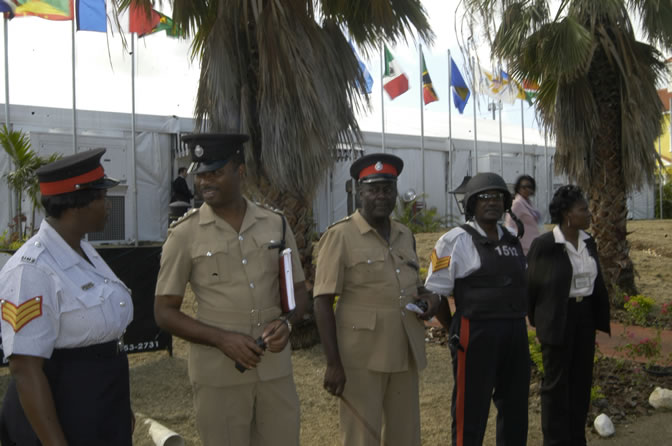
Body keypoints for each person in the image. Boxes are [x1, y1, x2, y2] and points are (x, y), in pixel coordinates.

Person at [154, 133, 309, 446]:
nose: (205, 182)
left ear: (240, 172)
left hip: (274, 370)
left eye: (215, 172)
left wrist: (288, 322)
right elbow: (163, 312)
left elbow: (299, 291)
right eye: (201, 174)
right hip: (219, 373)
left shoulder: (275, 224)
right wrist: (221, 339)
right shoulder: (184, 234)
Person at [0, 148, 134, 445]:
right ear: (78, 205)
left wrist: (118, 409)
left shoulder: (84, 250)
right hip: (61, 409)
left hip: (100, 403)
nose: (108, 206)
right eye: (101, 197)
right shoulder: (31, 269)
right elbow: (25, 368)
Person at [313, 153, 440, 446]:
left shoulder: (404, 234)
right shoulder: (340, 235)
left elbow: (413, 285)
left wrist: (429, 299)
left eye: (388, 189)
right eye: (373, 189)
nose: (381, 196)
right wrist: (333, 363)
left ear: (395, 192)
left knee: (405, 434)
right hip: (361, 357)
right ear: (360, 192)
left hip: (404, 348)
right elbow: (322, 300)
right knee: (362, 436)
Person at [424, 172, 530, 446]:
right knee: (470, 409)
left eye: (497, 197)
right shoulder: (454, 240)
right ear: (471, 203)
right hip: (475, 332)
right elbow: (436, 291)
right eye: (484, 197)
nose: (492, 202)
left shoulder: (511, 238)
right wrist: (452, 330)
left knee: (516, 407)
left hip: (515, 332)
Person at [527, 185, 610, 446]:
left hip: (584, 318)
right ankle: (554, 441)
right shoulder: (545, 245)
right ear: (567, 215)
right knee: (555, 388)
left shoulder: (589, 242)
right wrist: (540, 324)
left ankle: (577, 439)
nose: (589, 213)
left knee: (581, 383)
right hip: (556, 319)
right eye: (583, 209)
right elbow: (531, 288)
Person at [505, 174, 542, 255]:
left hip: (533, 245)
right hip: (523, 248)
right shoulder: (517, 203)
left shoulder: (528, 203)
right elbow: (509, 225)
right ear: (518, 188)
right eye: (524, 187)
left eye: (529, 187)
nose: (527, 189)